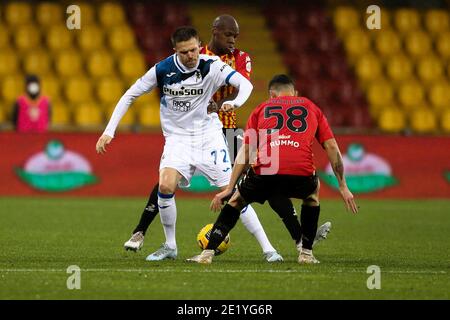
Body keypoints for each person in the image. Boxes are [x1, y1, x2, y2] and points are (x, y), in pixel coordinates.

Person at [123, 15, 331, 260]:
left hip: (229, 130)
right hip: (195, 132)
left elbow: (240, 85)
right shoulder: (195, 54)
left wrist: (221, 102)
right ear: (214, 32)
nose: (233, 41)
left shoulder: (242, 58)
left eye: (236, 36)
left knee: (268, 177)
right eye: (229, 35)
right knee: (166, 182)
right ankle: (141, 230)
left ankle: (298, 239)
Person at [96, 26, 284, 262]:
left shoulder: (211, 65)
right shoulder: (162, 70)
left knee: (235, 193)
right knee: (165, 186)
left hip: (208, 137)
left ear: (199, 45)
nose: (191, 56)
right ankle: (170, 245)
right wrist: (108, 131)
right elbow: (129, 95)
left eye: (194, 49)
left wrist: (234, 104)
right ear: (175, 50)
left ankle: (268, 249)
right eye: (185, 52)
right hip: (178, 140)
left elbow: (245, 86)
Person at [187, 74, 358, 265]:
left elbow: (246, 151)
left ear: (271, 95)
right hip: (301, 169)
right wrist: (343, 186)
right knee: (311, 196)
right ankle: (306, 254)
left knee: (236, 202)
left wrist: (229, 188)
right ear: (295, 93)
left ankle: (207, 254)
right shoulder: (311, 107)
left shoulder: (260, 109)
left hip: (267, 167)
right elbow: (332, 147)